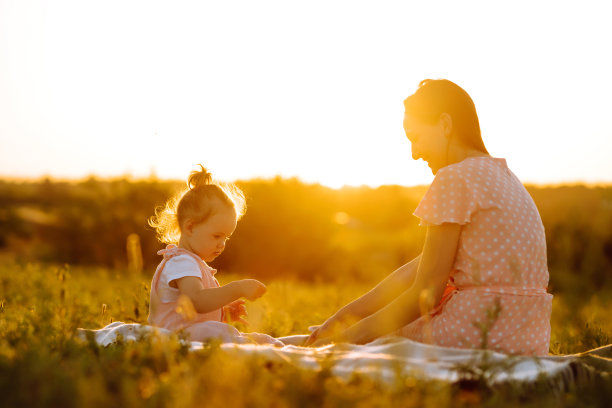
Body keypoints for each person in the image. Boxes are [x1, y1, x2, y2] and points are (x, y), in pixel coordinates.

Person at [306, 79, 553, 356]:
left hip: (476, 333)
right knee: (349, 332)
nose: (414, 153)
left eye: (416, 138)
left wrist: (343, 339)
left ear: (445, 125)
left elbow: (424, 292)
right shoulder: (506, 178)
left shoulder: (454, 177)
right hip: (527, 337)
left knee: (360, 343)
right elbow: (415, 272)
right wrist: (343, 317)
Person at [147, 165, 286, 345]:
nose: (222, 244)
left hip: (186, 334)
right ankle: (263, 347)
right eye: (217, 236)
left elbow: (195, 310)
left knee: (227, 333)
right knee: (225, 335)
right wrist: (238, 288)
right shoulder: (182, 262)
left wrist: (221, 312)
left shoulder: (190, 262)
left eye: (226, 237)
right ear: (190, 227)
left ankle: (266, 345)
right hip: (173, 339)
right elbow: (196, 300)